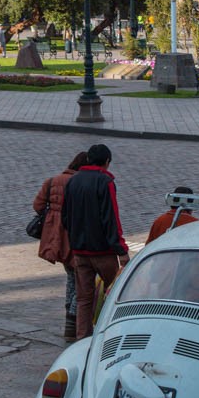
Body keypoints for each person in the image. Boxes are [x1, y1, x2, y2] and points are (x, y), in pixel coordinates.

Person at [62, 143, 128, 341]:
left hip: (80, 251)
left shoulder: (73, 181)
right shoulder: (105, 181)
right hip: (103, 252)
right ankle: (109, 336)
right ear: (107, 162)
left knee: (84, 298)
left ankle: (82, 339)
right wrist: (121, 250)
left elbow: (65, 216)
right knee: (114, 294)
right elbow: (111, 218)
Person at [33, 152, 88, 340]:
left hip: (54, 235)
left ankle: (69, 318)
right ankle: (72, 323)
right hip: (73, 234)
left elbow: (38, 205)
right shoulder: (80, 183)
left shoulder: (52, 181)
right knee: (80, 277)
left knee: (71, 276)